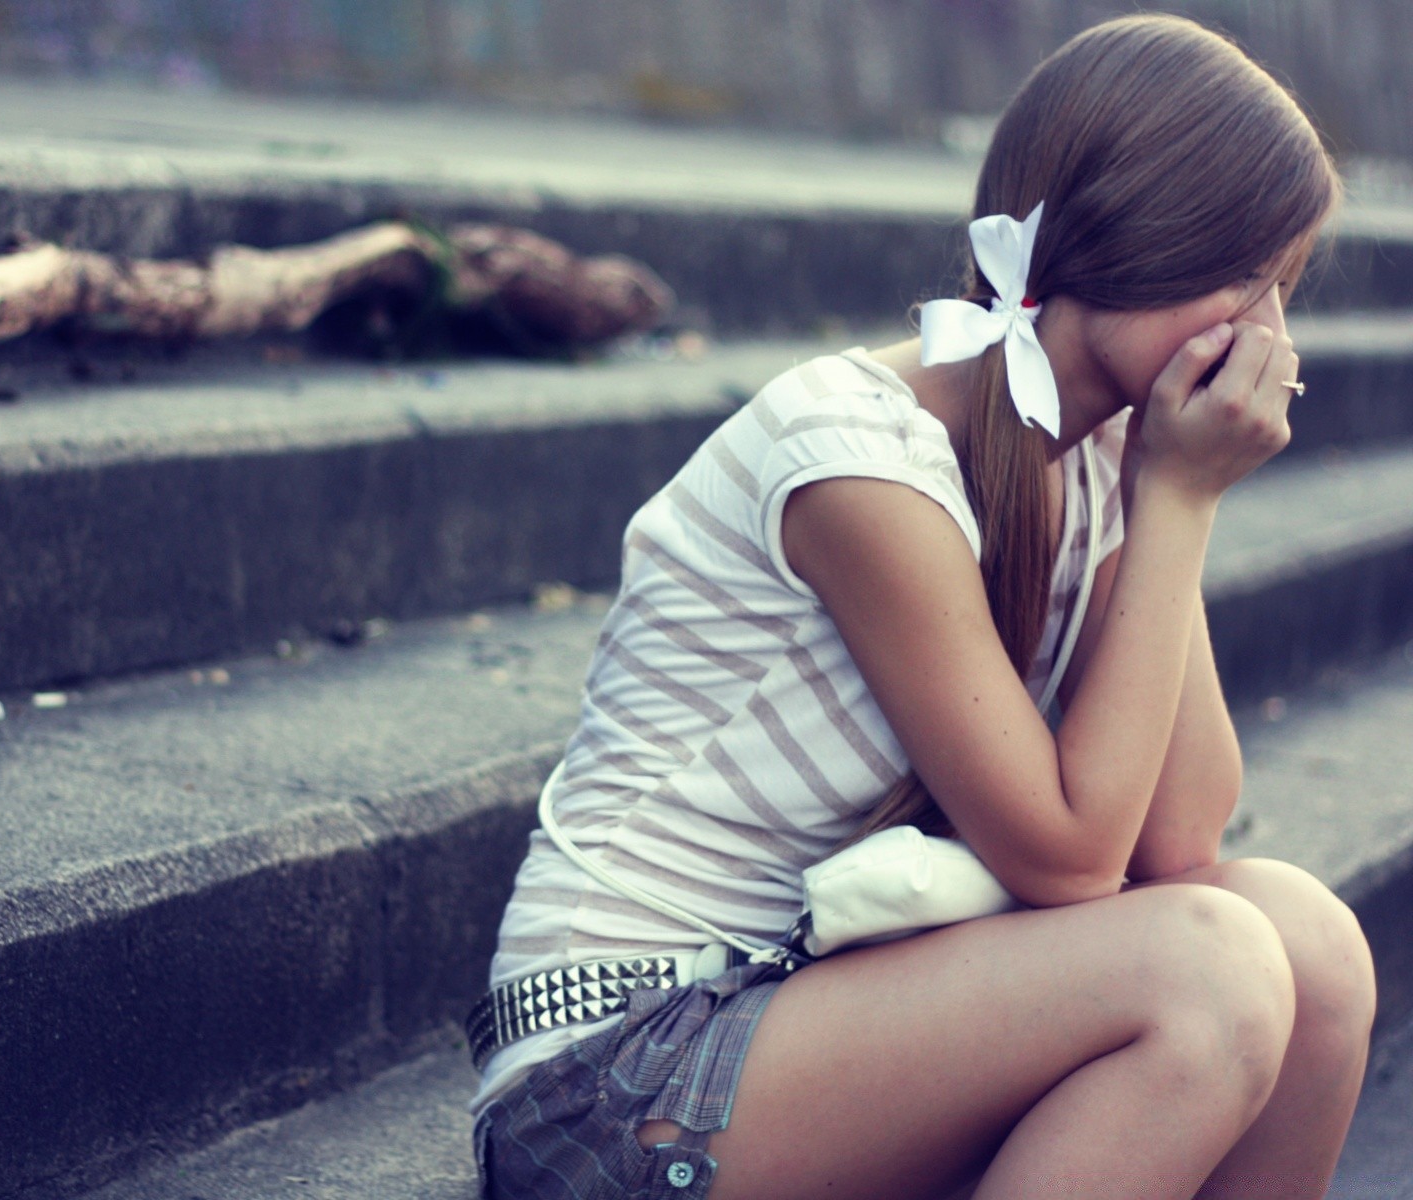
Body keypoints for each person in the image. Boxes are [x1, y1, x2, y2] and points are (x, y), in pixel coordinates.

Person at [466, 13, 1376, 1200]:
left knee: (1307, 942)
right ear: (1133, 244)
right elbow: (1069, 862)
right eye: (1251, 282)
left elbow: (1181, 837)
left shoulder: (1095, 459)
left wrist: (1165, 499)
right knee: (1206, 973)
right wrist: (1184, 505)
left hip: (809, 1010)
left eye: (1287, 291)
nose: (1273, 340)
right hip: (614, 1071)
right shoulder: (855, 456)